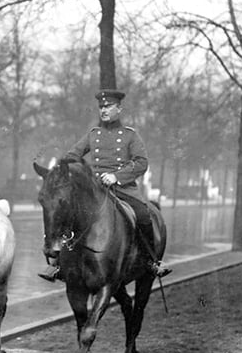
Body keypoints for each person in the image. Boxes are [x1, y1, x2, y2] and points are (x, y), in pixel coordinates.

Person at [38, 89, 171, 282]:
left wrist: (117, 176)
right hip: (97, 189)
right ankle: (58, 263)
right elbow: (72, 155)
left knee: (142, 214)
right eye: (101, 107)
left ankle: (152, 261)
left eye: (108, 106)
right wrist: (59, 168)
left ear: (119, 108)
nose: (104, 110)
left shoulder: (130, 136)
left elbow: (141, 162)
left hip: (124, 189)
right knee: (70, 215)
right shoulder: (93, 135)